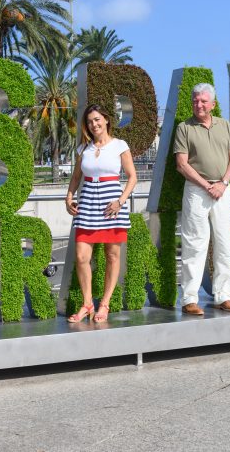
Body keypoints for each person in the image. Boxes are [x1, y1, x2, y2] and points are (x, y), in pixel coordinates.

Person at [65, 104, 137, 323]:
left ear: (106, 120)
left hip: (112, 207)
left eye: (97, 119)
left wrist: (120, 201)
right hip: (87, 205)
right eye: (89, 121)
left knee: (112, 256)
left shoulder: (119, 146)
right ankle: (87, 304)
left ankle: (104, 304)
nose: (94, 124)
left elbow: (132, 177)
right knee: (81, 256)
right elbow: (76, 178)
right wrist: (68, 197)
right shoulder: (82, 149)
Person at [174, 83, 230, 315]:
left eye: (203, 101)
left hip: (222, 190)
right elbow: (182, 164)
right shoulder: (184, 128)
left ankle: (223, 296)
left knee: (224, 243)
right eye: (195, 100)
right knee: (194, 244)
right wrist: (206, 185)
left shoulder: (225, 125)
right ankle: (189, 299)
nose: (198, 104)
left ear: (213, 104)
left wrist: (222, 184)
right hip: (196, 190)